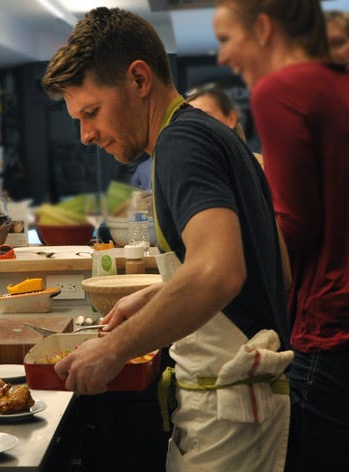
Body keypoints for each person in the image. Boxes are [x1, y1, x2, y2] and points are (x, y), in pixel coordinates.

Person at [42, 7, 292, 471]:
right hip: (242, 407)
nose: (85, 135)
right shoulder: (213, 136)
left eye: (91, 113)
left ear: (139, 79)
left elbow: (220, 271)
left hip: (231, 417)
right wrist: (158, 293)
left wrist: (114, 349)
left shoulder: (181, 145)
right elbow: (268, 263)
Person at [214, 1, 349, 470]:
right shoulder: (336, 83)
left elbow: (297, 226)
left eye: (227, 38)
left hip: (327, 324)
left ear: (265, 29)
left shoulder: (280, 89)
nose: (222, 57)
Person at [185, 82, 264, 168]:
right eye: (191, 119)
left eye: (206, 116)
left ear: (231, 119)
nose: (197, 124)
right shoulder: (183, 168)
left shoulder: (258, 166)